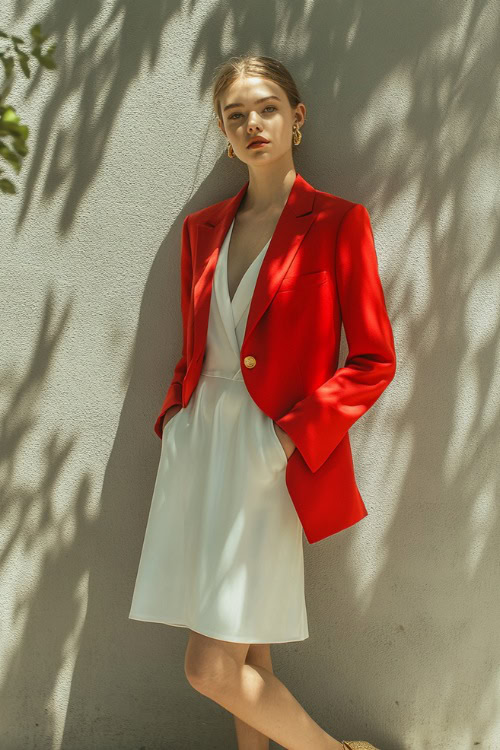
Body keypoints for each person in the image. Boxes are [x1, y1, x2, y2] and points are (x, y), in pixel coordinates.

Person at [129, 54, 396, 750]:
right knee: (247, 649)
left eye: (267, 107)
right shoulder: (201, 231)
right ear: (223, 133)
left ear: (296, 119)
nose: (252, 123)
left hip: (271, 451)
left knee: (209, 665)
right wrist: (177, 421)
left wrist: (282, 441)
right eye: (235, 114)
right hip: (200, 447)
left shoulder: (338, 222)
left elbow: (373, 360)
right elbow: (198, 351)